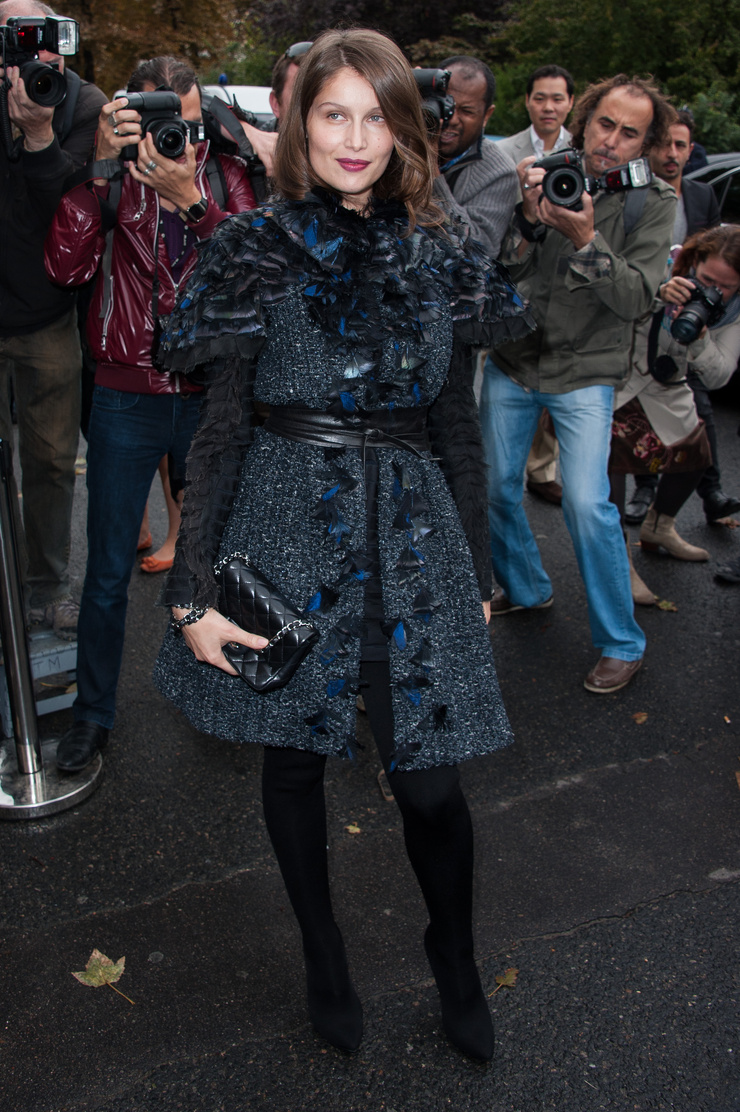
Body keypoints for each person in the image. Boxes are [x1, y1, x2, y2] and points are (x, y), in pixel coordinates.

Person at [152, 28, 533, 1060]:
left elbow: (456, 425)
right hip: (281, 524)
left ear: (403, 126)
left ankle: (451, 956)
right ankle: (322, 951)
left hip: (412, 534)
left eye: (376, 114)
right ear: (298, 123)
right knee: (290, 767)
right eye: (334, 113)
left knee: (431, 784)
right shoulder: (249, 246)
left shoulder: (445, 250)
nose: (355, 137)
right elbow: (220, 429)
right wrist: (190, 597)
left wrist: (476, 568)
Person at [44, 55, 257, 772]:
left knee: (218, 560)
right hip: (126, 394)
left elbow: (258, 269)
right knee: (107, 571)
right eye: (163, 126)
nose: (180, 142)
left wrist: (196, 198)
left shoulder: (225, 177)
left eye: (190, 125)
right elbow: (66, 267)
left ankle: (218, 690)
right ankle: (93, 715)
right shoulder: (110, 185)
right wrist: (100, 168)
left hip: (210, 394)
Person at [480, 74, 677, 694]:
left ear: (645, 145)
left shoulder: (655, 204)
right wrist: (530, 221)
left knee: (590, 506)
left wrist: (586, 239)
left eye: (630, 134)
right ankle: (529, 588)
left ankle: (623, 642)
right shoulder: (545, 174)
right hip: (515, 359)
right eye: (604, 125)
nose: (611, 142)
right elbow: (502, 269)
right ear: (584, 121)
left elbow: (635, 299)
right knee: (493, 487)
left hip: (585, 372)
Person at [0, 0, 106, 639]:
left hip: (44, 315)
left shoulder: (79, 104)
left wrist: (37, 133)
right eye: (15, 37)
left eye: (40, 37)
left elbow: (73, 207)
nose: (31, 51)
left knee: (49, 460)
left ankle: (46, 589)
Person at [625, 110, 739, 527]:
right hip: (643, 352)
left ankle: (674, 516)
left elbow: (719, 374)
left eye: (682, 145)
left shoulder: (701, 195)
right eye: (666, 143)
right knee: (627, 440)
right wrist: (662, 294)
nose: (673, 153)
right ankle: (640, 497)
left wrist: (705, 322)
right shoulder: (637, 194)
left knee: (699, 435)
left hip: (688, 353)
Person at [610, 225, 740, 572]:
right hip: (618, 376)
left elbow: (719, 375)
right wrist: (658, 294)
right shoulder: (662, 262)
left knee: (697, 456)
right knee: (610, 458)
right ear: (694, 260)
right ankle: (617, 556)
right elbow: (613, 304)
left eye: (726, 287)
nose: (715, 292)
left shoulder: (734, 311)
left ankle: (658, 528)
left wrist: (700, 338)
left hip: (666, 386)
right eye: (708, 279)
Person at [496, 64, 576, 506]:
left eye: (558, 98)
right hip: (515, 278)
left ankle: (542, 467)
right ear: (527, 101)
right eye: (540, 97)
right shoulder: (507, 151)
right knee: (514, 379)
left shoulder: (580, 155)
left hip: (560, 286)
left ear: (570, 103)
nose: (549, 106)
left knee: (551, 386)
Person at [433, 54, 518, 258]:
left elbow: (481, 250)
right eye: (447, 105)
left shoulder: (500, 172)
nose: (452, 119)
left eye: (467, 111)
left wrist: (429, 170)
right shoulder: (396, 146)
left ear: (487, 115)